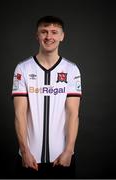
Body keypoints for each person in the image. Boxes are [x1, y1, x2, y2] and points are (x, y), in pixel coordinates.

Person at [12, 15, 82, 178]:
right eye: (44, 32)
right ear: (37, 36)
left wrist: (69, 151)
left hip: (62, 157)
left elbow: (73, 114)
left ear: (62, 36)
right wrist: (25, 151)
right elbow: (19, 114)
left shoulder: (72, 70)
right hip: (29, 158)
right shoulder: (23, 69)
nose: (49, 37)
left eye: (54, 32)